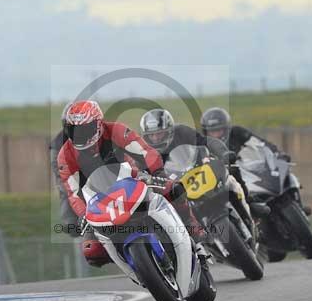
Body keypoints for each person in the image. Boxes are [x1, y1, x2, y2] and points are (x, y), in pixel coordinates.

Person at [57, 100, 207, 267]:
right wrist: (83, 214)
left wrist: (157, 172)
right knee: (91, 251)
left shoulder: (116, 130)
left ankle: (193, 230)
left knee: (174, 189)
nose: (80, 135)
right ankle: (129, 261)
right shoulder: (65, 155)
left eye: (85, 129)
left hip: (133, 182)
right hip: (99, 201)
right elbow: (73, 193)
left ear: (98, 124)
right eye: (74, 130)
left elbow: (145, 152)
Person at [141, 108, 252, 226]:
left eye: (159, 133)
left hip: (199, 172)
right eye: (151, 135)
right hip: (177, 188)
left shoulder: (182, 132)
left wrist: (223, 153)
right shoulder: (144, 152)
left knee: (231, 173)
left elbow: (207, 142)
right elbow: (142, 173)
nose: (156, 138)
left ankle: (249, 209)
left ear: (169, 130)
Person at [49, 102, 78, 234]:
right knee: (66, 186)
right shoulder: (58, 143)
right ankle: (71, 222)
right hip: (69, 172)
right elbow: (59, 170)